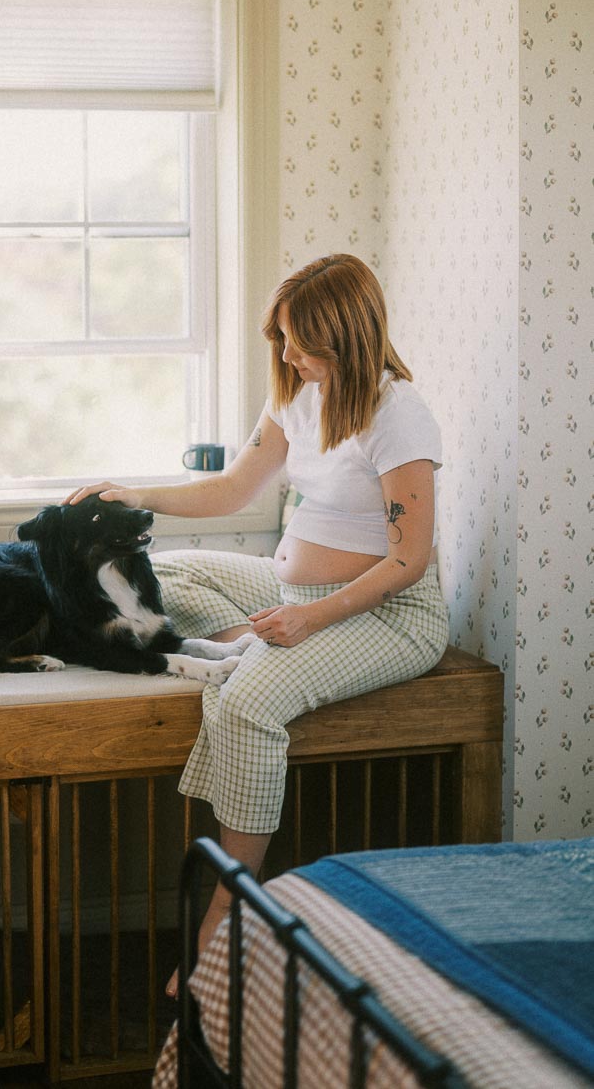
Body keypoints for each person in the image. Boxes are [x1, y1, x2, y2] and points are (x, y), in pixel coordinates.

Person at [67, 253, 449, 996]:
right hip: (289, 589)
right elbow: (235, 489)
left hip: (389, 610)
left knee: (244, 701)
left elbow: (408, 560)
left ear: (351, 337)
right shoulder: (296, 396)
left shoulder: (399, 413)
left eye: (305, 344)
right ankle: (244, 640)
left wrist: (307, 620)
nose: (290, 355)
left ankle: (226, 916)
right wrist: (130, 495)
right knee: (170, 574)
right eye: (282, 339)